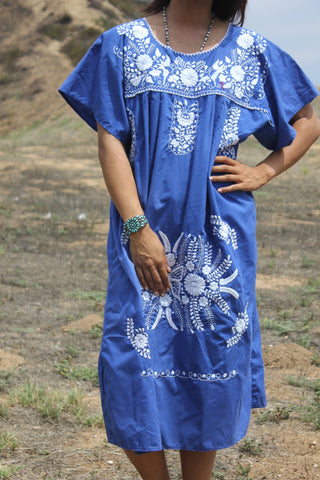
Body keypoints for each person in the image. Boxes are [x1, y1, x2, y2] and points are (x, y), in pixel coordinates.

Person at [59, 1, 320, 478]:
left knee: (211, 360)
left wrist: (264, 170)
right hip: (142, 233)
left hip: (219, 243)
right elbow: (110, 137)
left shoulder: (251, 51)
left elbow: (308, 120)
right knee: (129, 363)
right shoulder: (122, 44)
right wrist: (136, 228)